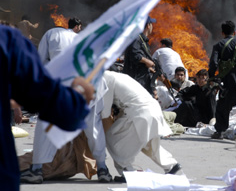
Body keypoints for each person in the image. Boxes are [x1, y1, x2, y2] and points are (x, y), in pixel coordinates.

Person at [0, 25, 93, 191]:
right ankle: (37, 169)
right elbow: (36, 91)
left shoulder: (45, 36)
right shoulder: (8, 40)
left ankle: (37, 168)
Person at [22, 17, 112, 184]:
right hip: (93, 86)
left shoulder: (52, 33)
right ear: (77, 28)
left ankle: (36, 171)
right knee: (93, 128)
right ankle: (103, 169)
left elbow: (40, 62)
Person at [101, 70, 182, 182]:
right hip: (152, 110)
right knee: (150, 144)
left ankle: (128, 171)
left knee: (113, 138)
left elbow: (104, 112)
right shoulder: (119, 76)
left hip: (140, 113)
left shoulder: (105, 79)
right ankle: (171, 166)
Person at [123, 16, 157, 96]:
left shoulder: (143, 40)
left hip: (142, 80)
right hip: (135, 80)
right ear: (148, 25)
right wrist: (147, 61)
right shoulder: (136, 38)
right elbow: (135, 55)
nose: (152, 26)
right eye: (151, 24)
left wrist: (151, 68)